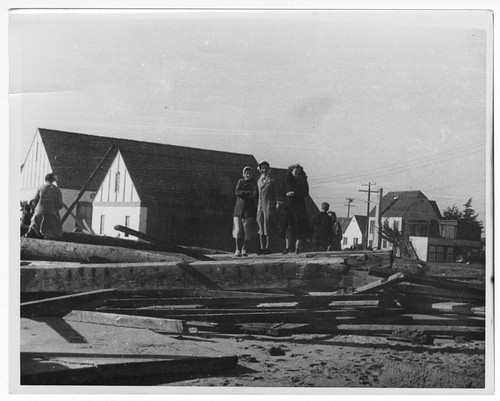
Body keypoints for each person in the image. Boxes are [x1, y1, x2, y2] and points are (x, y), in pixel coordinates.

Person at [24, 173, 64, 240]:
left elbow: (33, 200)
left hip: (39, 211)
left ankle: (28, 234)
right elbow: (60, 204)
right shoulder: (57, 190)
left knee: (34, 223)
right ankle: (47, 238)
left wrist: (32, 208)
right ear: (53, 180)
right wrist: (55, 208)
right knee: (56, 225)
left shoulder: (41, 187)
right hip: (51, 213)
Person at [283, 163, 310, 254]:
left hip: (299, 205)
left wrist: (295, 193)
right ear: (291, 171)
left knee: (299, 226)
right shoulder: (287, 179)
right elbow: (281, 191)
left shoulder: (303, 180)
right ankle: (287, 247)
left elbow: (305, 193)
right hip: (289, 205)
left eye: (299, 171)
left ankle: (297, 247)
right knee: (288, 226)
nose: (297, 172)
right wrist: (286, 194)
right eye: (295, 170)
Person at [232, 166, 258, 256]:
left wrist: (243, 193)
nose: (248, 175)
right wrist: (247, 192)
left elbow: (254, 194)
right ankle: (237, 249)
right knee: (238, 230)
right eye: (246, 173)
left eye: (249, 173)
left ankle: (244, 248)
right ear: (243, 174)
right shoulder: (240, 181)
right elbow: (237, 192)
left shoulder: (254, 182)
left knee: (247, 231)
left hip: (249, 210)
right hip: (238, 210)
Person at [256, 161, 278, 255]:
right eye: (262, 168)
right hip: (260, 206)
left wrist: (276, 203)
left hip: (268, 205)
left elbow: (276, 193)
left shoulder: (272, 180)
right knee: (260, 226)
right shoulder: (259, 180)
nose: (264, 170)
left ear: (269, 169)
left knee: (267, 226)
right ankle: (262, 247)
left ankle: (268, 248)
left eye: (266, 168)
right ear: (260, 170)